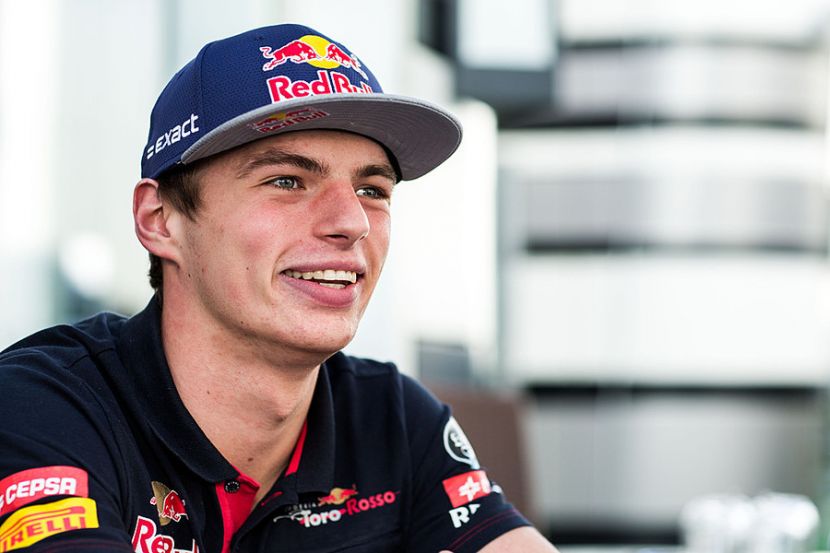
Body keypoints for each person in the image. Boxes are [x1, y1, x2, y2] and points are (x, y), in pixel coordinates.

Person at [0, 24, 556, 552]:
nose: (351, 222)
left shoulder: (391, 419)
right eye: (287, 180)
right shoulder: (42, 407)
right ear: (161, 219)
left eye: (372, 190)